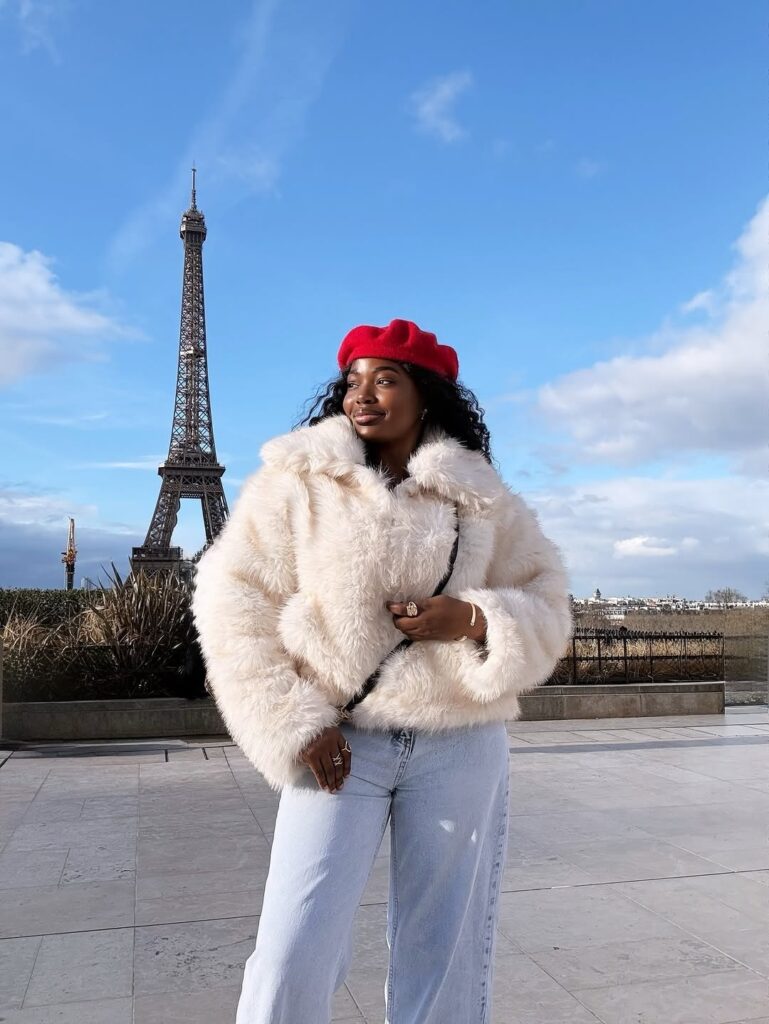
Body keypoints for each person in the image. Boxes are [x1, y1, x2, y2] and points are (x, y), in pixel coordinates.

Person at [191, 318, 572, 1024]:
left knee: (444, 951)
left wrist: (474, 618)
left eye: (385, 379)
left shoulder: (481, 498)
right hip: (340, 742)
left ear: (425, 396)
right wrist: (291, 720)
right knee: (292, 950)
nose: (361, 394)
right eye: (352, 381)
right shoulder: (298, 482)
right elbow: (231, 600)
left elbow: (548, 601)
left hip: (459, 740)